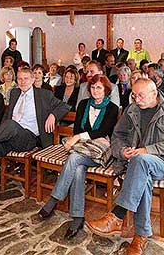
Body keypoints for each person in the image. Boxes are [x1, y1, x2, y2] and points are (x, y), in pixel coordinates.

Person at [86, 78, 164, 255]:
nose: (136, 99)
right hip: (137, 164)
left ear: (154, 93)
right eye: (134, 95)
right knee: (142, 174)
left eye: (141, 95)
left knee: (141, 161)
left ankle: (117, 215)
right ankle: (141, 236)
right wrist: (122, 151)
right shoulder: (132, 109)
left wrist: (147, 150)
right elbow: (117, 136)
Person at [0, 68, 70, 226]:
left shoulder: (43, 94)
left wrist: (53, 115)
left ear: (32, 80)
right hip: (8, 138)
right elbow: (7, 116)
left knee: (11, 125)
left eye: (26, 78)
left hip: (28, 139)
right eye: (20, 79)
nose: (22, 81)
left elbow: (65, 106)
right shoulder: (15, 93)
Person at [37, 74, 119, 239]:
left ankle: (54, 199)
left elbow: (103, 132)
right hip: (82, 149)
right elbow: (77, 130)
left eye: (99, 88)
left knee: (74, 158)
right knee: (78, 168)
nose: (95, 91)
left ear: (106, 90)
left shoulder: (112, 108)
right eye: (93, 87)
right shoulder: (83, 104)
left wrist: (78, 137)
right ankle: (78, 217)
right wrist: (80, 136)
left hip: (99, 152)